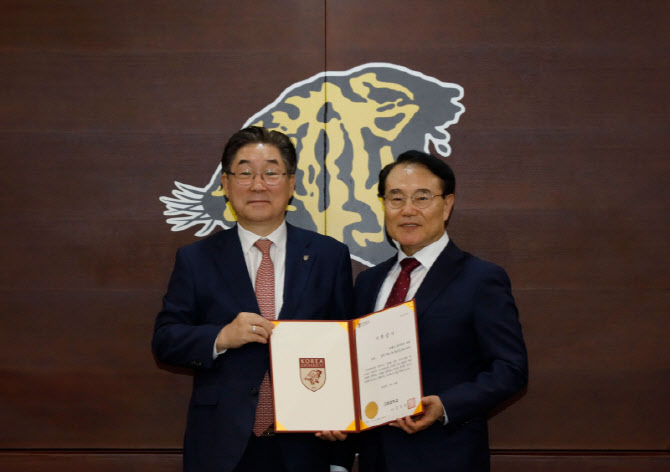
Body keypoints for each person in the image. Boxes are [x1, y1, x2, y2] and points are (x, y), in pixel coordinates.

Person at [152, 126, 354, 472]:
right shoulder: (196, 259)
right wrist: (221, 336)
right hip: (222, 445)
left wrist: (340, 444)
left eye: (271, 173)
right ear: (226, 184)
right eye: (245, 173)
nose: (258, 185)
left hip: (307, 444)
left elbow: (346, 348)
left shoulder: (328, 255)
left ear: (291, 183)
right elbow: (165, 340)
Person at [352, 150, 528, 472]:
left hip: (447, 456)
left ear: (447, 205)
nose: (408, 210)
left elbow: (510, 369)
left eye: (422, 198)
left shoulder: (480, 279)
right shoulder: (368, 282)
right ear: (383, 205)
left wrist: (446, 405)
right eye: (396, 198)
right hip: (377, 458)